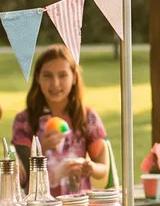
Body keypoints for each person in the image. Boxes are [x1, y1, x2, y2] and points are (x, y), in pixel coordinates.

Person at [11, 45, 108, 198]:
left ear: (74, 77)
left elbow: (103, 169)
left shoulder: (87, 117)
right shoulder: (24, 121)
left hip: (78, 205)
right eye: (47, 76)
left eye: (62, 75)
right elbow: (23, 178)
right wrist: (41, 149)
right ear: (38, 78)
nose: (55, 83)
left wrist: (90, 167)